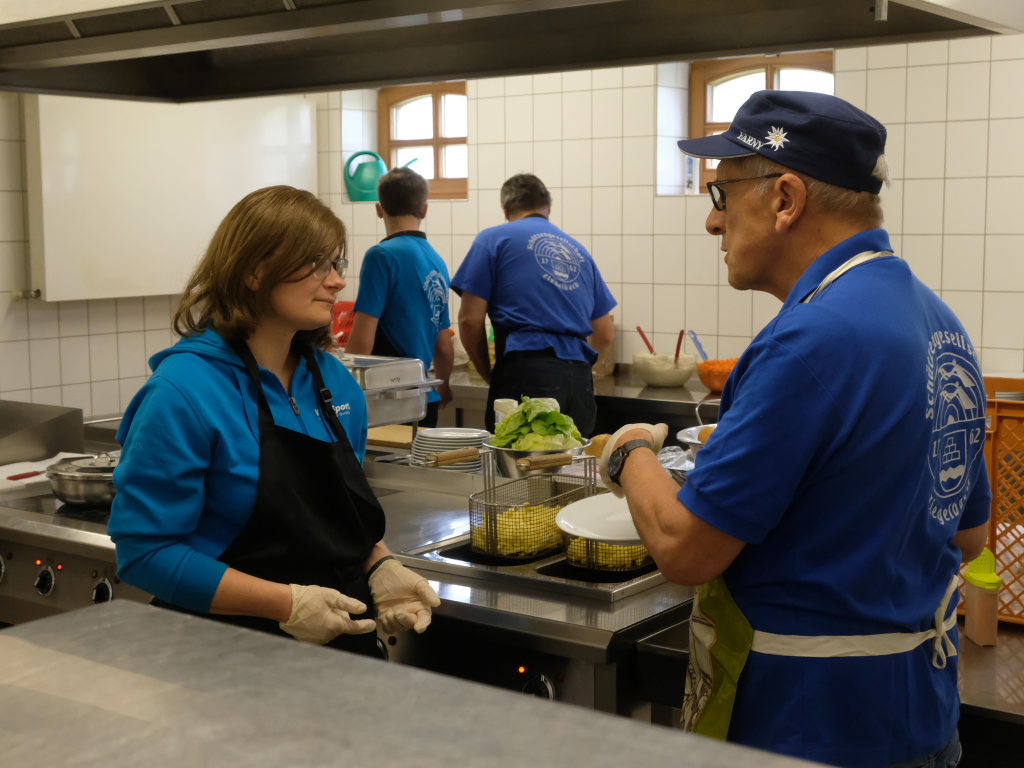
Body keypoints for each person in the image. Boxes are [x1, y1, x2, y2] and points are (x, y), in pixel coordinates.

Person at [599, 91, 990, 768]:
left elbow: (687, 551)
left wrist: (630, 452)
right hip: (923, 717)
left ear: (785, 199)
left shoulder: (808, 340)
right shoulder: (938, 322)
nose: (712, 223)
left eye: (721, 196)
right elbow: (967, 530)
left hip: (813, 725)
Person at [109, 185, 440, 656]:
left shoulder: (336, 385)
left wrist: (380, 565)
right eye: (318, 264)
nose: (337, 282)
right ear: (255, 270)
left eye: (337, 264)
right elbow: (146, 553)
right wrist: (286, 604)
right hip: (220, 654)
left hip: (342, 649)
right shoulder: (183, 392)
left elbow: (332, 518)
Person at [451, 173, 616, 435]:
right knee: (570, 459)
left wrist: (488, 374)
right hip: (579, 381)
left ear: (505, 209)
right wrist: (572, 368)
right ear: (548, 207)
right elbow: (605, 333)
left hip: (526, 371)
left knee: (519, 459)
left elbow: (469, 321)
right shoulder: (579, 252)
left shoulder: (493, 239)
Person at [345, 167, 454, 427]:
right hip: (424, 397)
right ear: (424, 210)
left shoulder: (381, 256)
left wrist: (343, 384)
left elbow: (362, 340)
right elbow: (444, 345)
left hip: (388, 399)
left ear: (379, 209)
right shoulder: (437, 261)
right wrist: (444, 386)